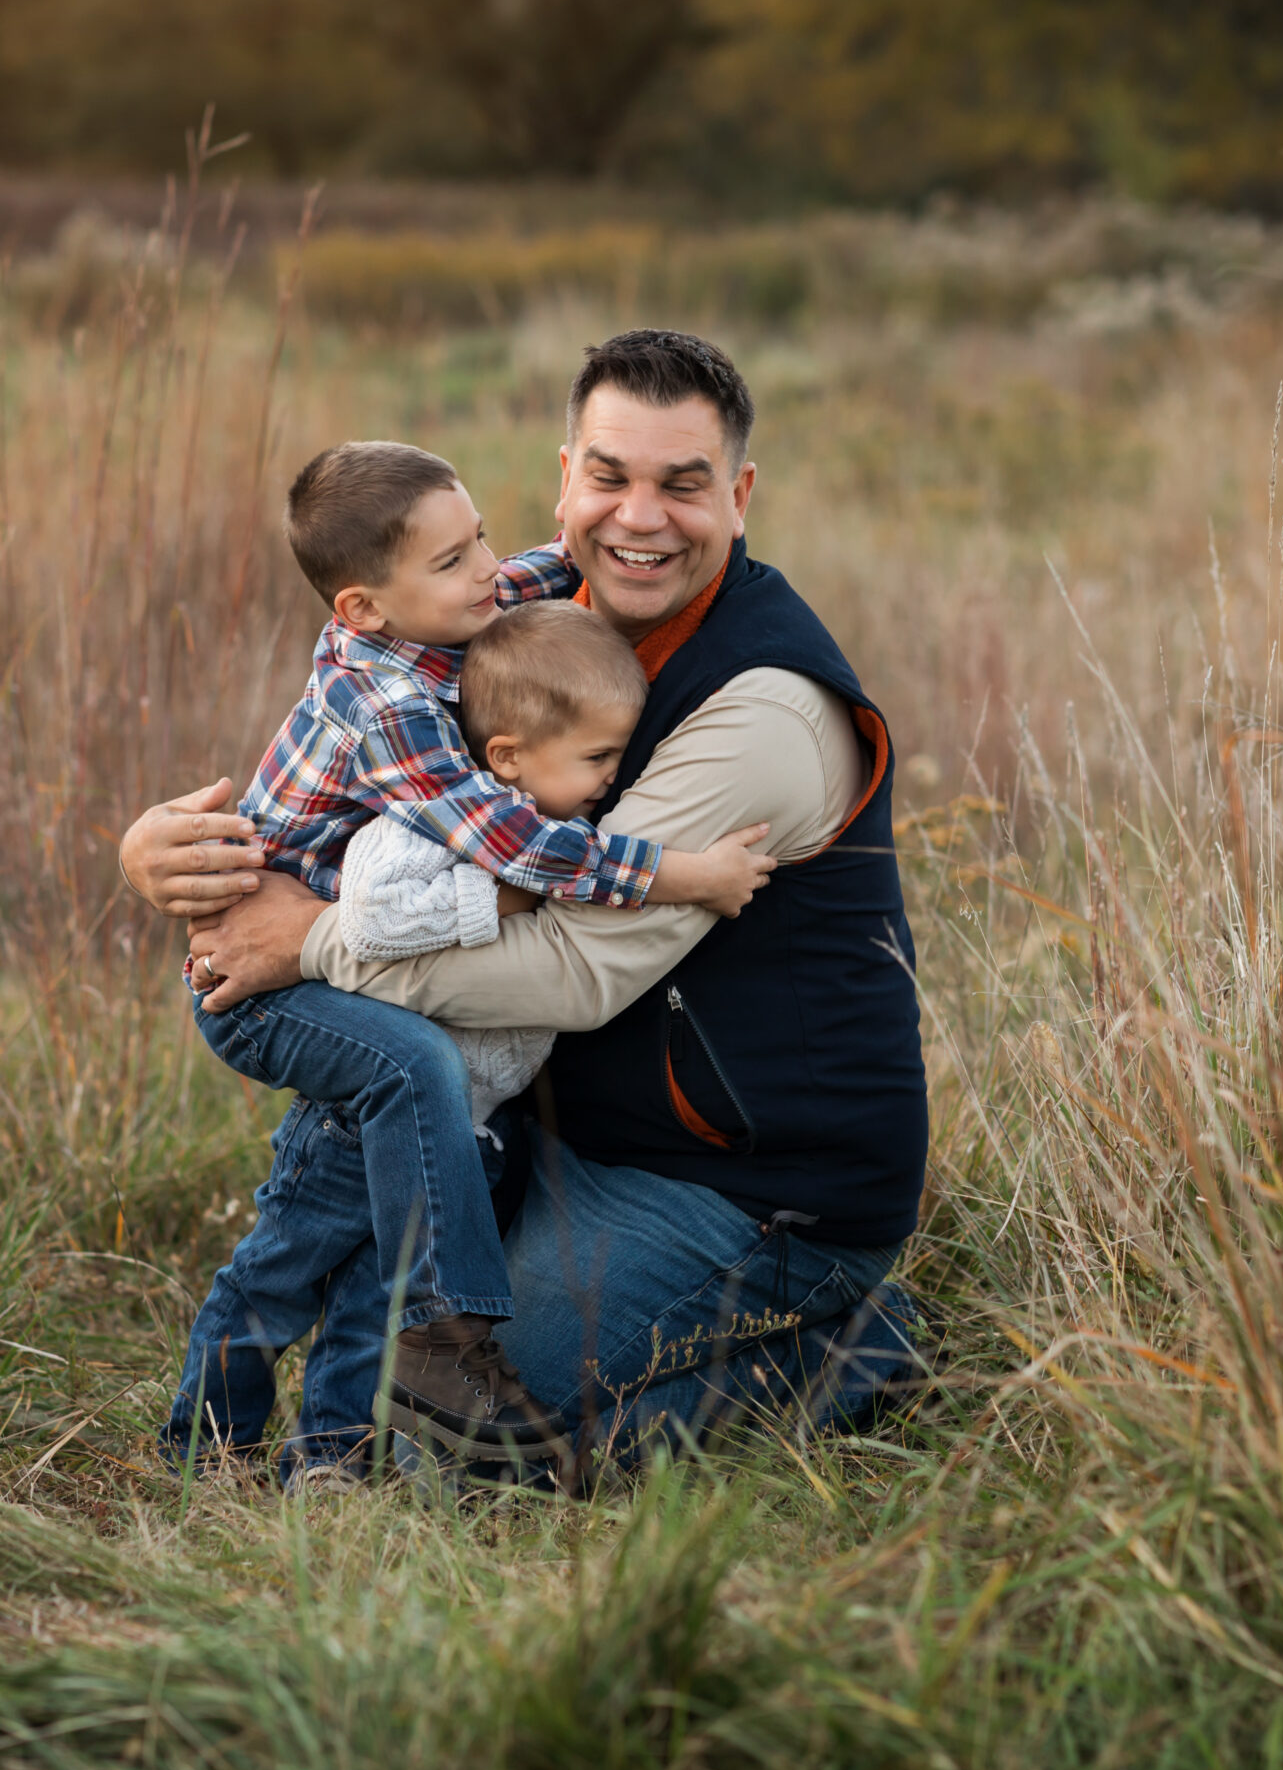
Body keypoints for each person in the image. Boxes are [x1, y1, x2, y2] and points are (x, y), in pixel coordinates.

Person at [127, 329, 928, 1468]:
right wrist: (162, 851)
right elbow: (371, 778)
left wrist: (311, 942)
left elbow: (577, 968)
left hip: (749, 1184)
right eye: (609, 476)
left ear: (739, 497)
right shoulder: (530, 629)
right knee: (393, 1309)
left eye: (682, 485)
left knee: (446, 1447)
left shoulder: (763, 709)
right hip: (578, 1125)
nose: (639, 517)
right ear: (565, 480)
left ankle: (849, 1348)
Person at [167, 440, 774, 1475]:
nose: (486, 567)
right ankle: (392, 1353)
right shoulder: (391, 708)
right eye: (453, 561)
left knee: (359, 1238)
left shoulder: (447, 606)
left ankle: (333, 1456)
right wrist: (682, 874)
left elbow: (550, 564)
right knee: (408, 1080)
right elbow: (514, 846)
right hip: (267, 987)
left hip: (342, 971)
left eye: (478, 535)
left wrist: (649, 526)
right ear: (363, 608)